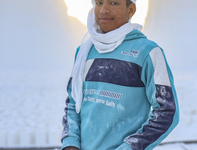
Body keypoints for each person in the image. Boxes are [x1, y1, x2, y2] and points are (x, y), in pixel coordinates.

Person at [61, 0, 179, 149]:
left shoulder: (148, 52)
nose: (104, 10)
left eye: (114, 3)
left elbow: (167, 112)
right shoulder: (84, 51)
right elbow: (73, 103)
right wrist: (70, 143)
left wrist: (129, 147)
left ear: (131, 10)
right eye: (98, 2)